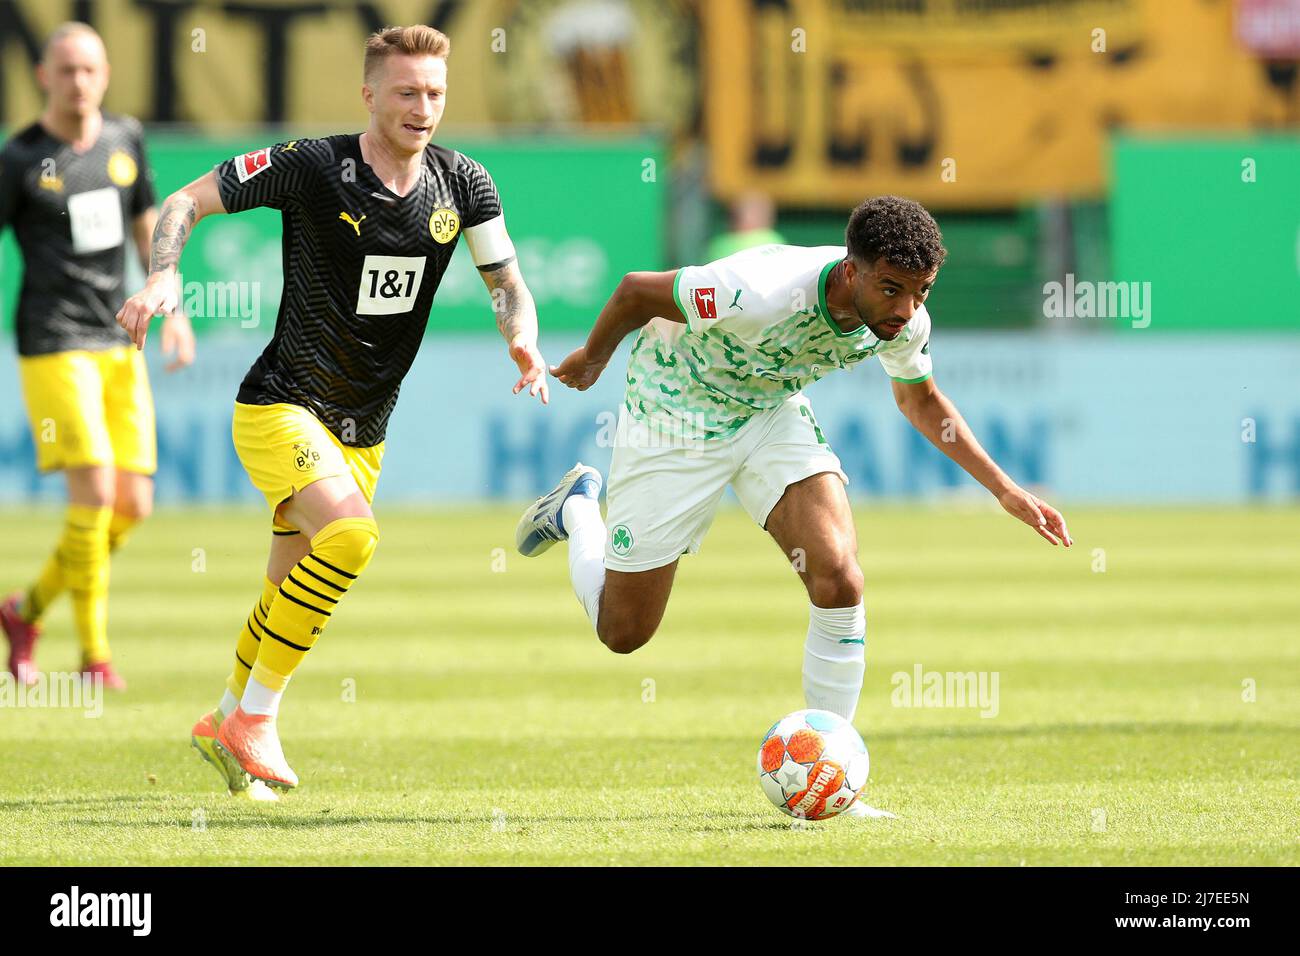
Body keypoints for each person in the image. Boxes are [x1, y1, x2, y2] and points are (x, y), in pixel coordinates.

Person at [518, 196, 1071, 818]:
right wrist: (591, 364)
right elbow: (636, 291)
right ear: (852, 269)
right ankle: (576, 509)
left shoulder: (904, 318)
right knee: (624, 633)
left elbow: (921, 401)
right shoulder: (757, 289)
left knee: (839, 577)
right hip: (675, 412)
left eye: (921, 293)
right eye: (892, 290)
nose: (906, 310)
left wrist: (1005, 489)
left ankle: (834, 775)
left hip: (767, 415)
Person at [115, 25, 548, 799]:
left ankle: (223, 719)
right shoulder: (314, 165)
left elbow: (507, 280)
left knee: (286, 591)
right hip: (280, 404)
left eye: (437, 93)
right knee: (351, 537)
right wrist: (164, 277)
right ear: (370, 93)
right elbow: (185, 200)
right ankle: (257, 717)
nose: (424, 107)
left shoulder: (465, 183)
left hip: (365, 429)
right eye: (408, 91)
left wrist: (523, 338)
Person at [0, 22, 195, 691]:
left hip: (119, 335)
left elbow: (147, 219)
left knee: (133, 504)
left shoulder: (125, 138)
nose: (78, 81)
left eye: (90, 70)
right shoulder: (20, 157)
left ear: (105, 75)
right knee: (94, 493)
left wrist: (174, 305)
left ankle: (24, 610)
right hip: (53, 340)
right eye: (66, 70)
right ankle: (94, 657)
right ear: (43, 77)